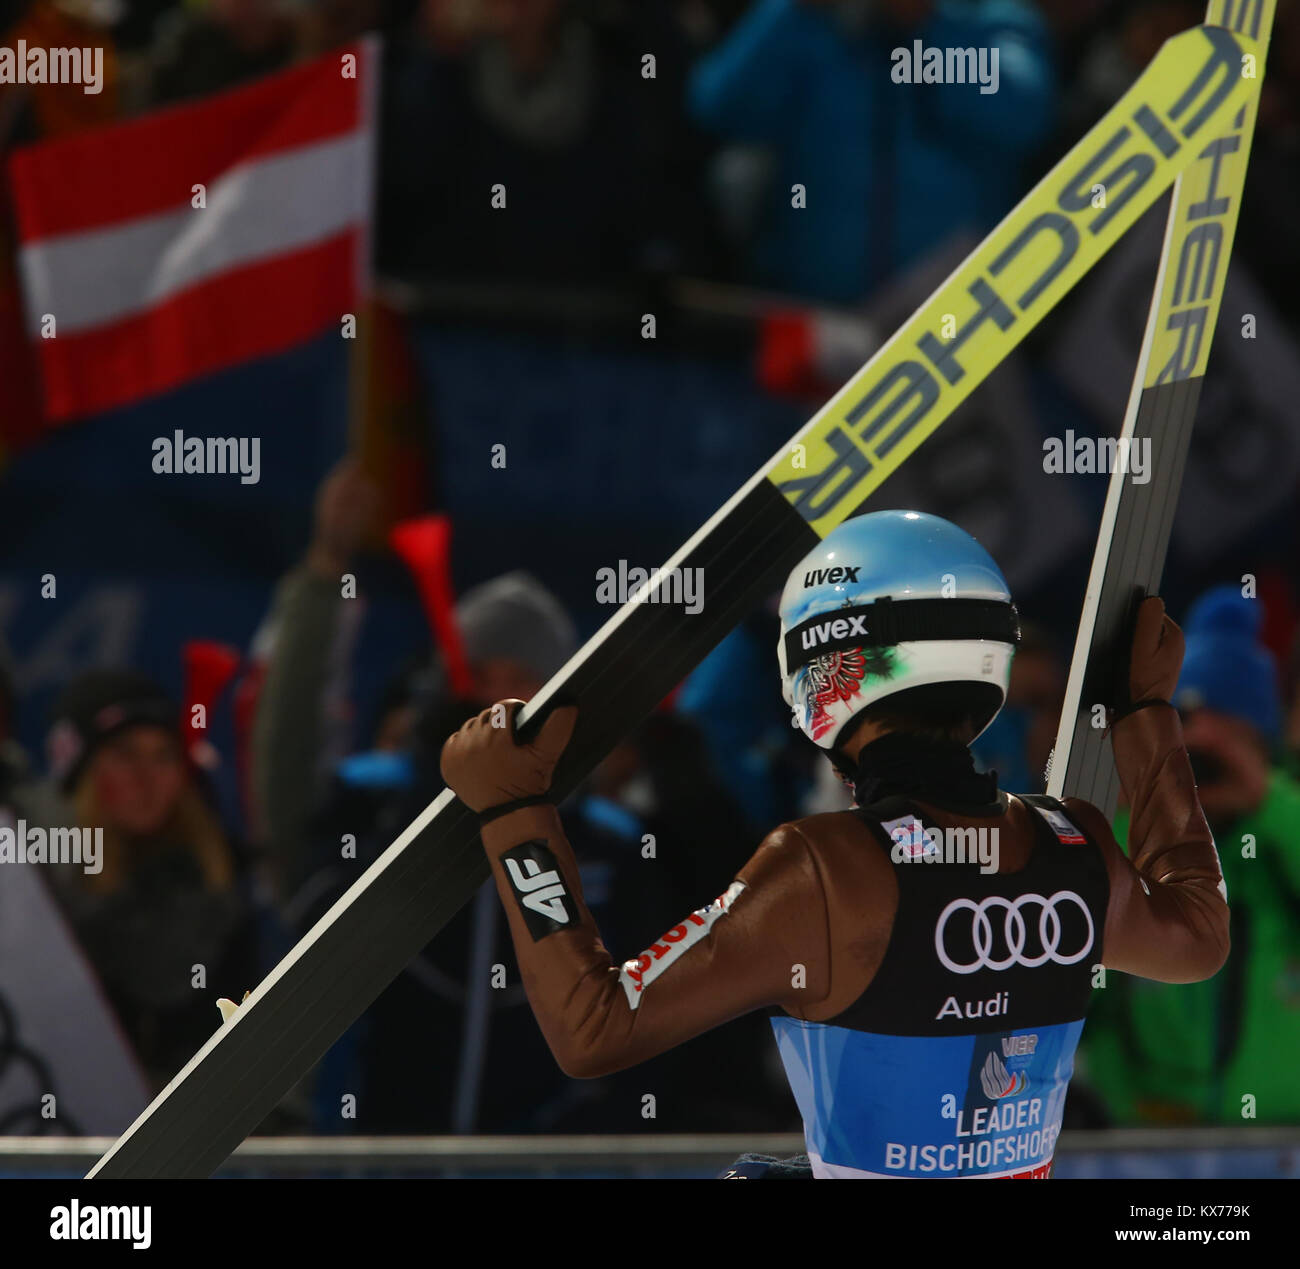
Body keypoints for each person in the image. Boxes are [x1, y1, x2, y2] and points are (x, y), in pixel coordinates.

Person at [439, 509, 1229, 1178]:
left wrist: (514, 816)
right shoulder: (1074, 839)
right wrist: (1144, 715)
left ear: (825, 668)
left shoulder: (821, 868)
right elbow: (1198, 936)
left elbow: (595, 1027)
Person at [1082, 585, 1300, 1124]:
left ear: (1262, 748)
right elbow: (1082, 972)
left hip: (1279, 1146)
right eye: (1186, 753)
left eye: (1223, 747)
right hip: (1147, 1147)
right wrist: (1146, 804)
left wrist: (1265, 797)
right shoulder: (1129, 842)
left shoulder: (1278, 844)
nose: (1201, 767)